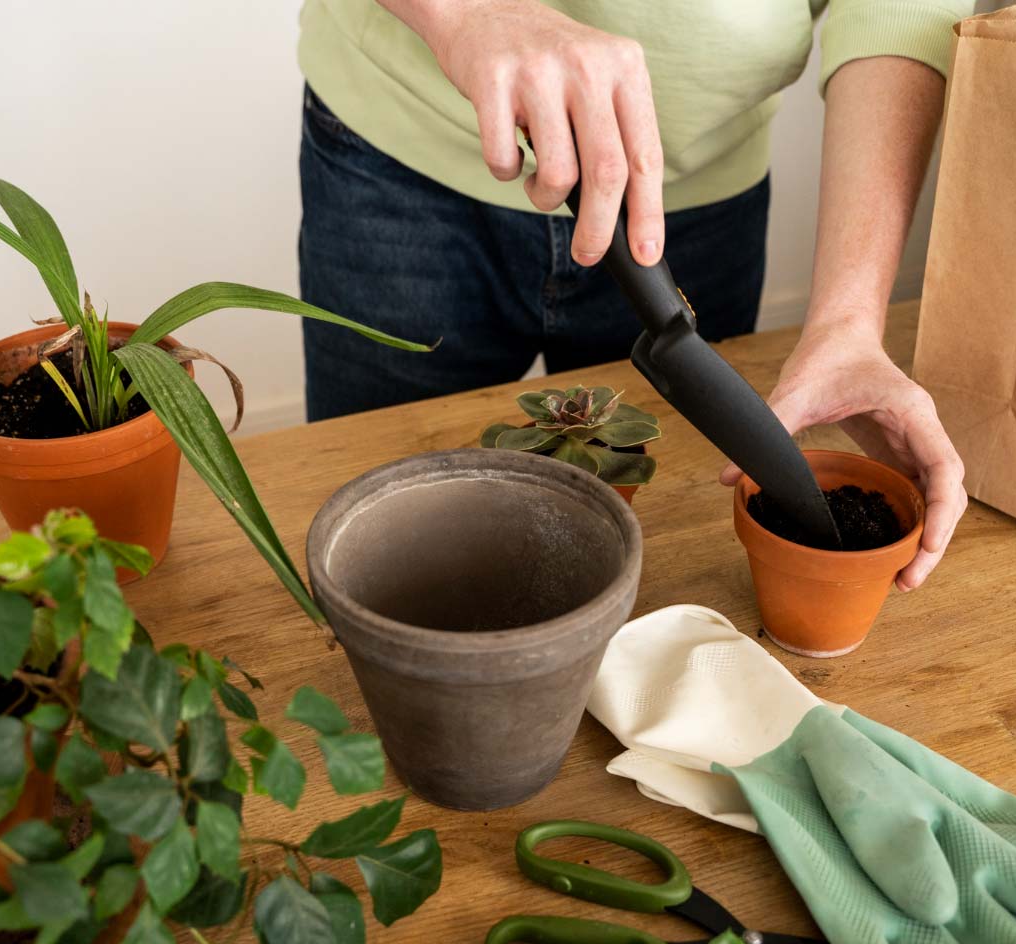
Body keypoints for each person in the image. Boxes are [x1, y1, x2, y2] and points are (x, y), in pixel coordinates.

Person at [296, 0, 971, 590]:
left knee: (664, 529)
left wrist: (849, 322)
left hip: (700, 199)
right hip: (403, 160)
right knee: (371, 543)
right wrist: (467, 13)